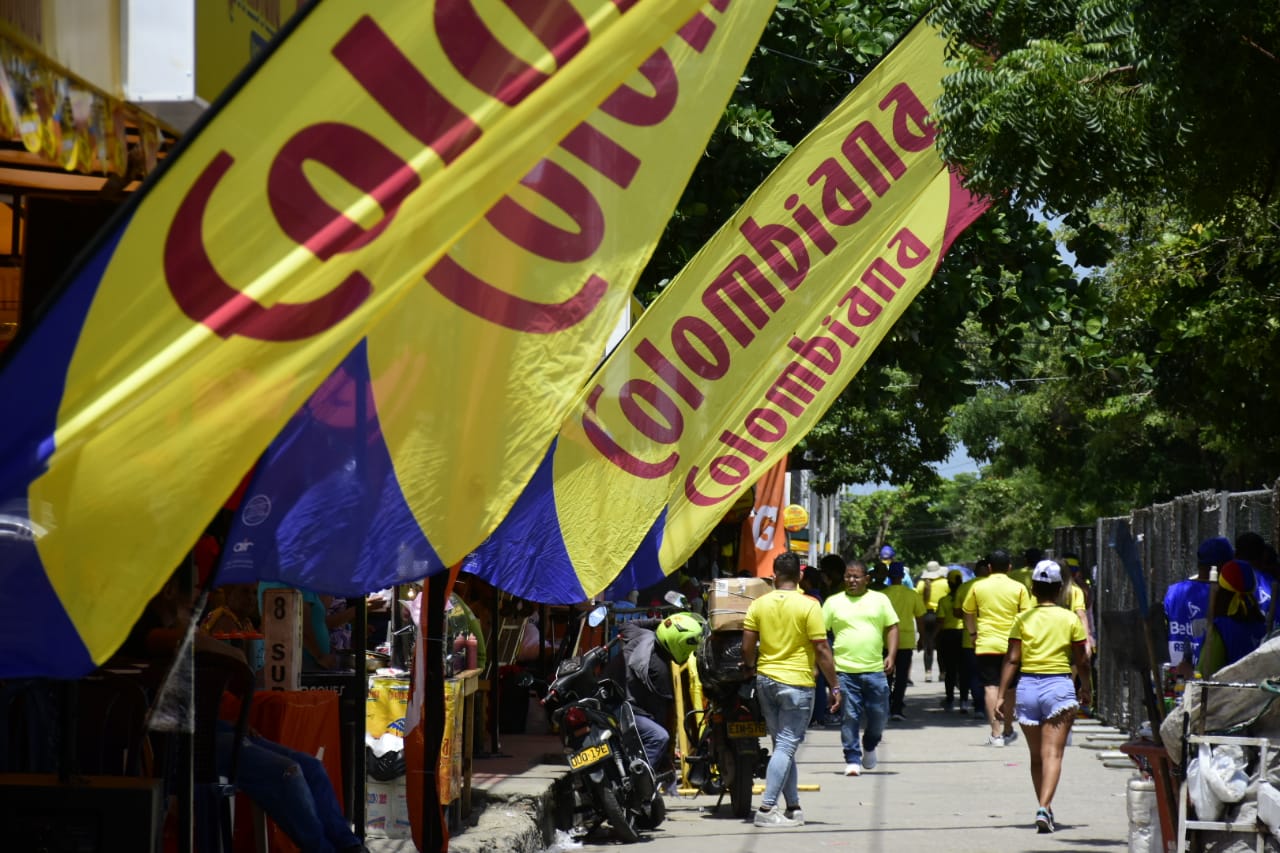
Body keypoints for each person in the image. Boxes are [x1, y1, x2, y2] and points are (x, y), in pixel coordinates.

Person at [124, 571, 369, 853]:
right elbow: (184, 641)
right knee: (286, 772)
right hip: (173, 741)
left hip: (208, 726)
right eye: (193, 588)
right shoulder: (146, 627)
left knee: (311, 767)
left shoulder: (184, 625)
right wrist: (234, 656)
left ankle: (351, 847)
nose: (199, 597)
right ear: (169, 591)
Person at [742, 551, 841, 828]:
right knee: (786, 745)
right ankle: (766, 808)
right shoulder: (809, 605)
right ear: (799, 576)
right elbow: (821, 648)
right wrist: (835, 685)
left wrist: (750, 668)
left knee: (782, 746)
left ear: (774, 576)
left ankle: (793, 807)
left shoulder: (758, 604)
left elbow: (747, 646)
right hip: (796, 683)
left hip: (766, 681)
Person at [997, 559, 1091, 834]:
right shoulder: (1070, 618)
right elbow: (1081, 659)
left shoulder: (1022, 619)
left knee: (1036, 757)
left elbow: (1012, 660)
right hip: (1058, 688)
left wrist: (1002, 695)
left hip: (1027, 688)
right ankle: (1043, 807)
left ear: (1034, 589)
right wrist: (1086, 686)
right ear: (1060, 588)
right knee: (1053, 754)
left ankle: (1045, 808)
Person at [822, 559, 899, 777]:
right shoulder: (833, 602)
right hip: (844, 671)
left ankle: (870, 744)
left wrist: (891, 655)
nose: (851, 580)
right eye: (848, 576)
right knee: (849, 716)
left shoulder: (880, 600)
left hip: (875, 670)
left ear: (867, 579)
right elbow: (819, 635)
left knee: (879, 715)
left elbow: (892, 627)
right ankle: (852, 758)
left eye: (856, 577)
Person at [605, 611, 705, 771]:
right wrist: (666, 756)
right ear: (678, 643)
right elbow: (662, 715)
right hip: (622, 711)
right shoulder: (661, 671)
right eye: (689, 644)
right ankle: (639, 781)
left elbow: (626, 625)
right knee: (659, 737)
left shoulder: (641, 635)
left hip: (606, 699)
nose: (690, 650)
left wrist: (660, 622)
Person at [963, 548, 1031, 746]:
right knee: (1009, 689)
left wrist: (973, 633)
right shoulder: (1019, 588)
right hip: (1012, 645)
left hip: (987, 643)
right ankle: (1009, 728)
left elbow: (968, 613)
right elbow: (1026, 617)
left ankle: (996, 733)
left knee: (991, 687)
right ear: (1009, 567)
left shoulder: (977, 587)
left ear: (989, 567)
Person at [1163, 536, 1232, 678]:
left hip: (1175, 677)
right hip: (1206, 679)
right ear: (1222, 566)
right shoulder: (1222, 595)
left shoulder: (1174, 591)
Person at [1198, 559, 1267, 677]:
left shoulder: (1220, 630)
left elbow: (1205, 675)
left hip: (1228, 694)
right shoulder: (1263, 627)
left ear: (1221, 590)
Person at [881, 563, 924, 721]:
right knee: (901, 677)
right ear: (902, 576)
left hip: (885, 640)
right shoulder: (911, 594)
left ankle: (885, 706)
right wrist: (922, 638)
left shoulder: (882, 595)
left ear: (889, 576)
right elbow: (920, 617)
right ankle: (897, 708)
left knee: (886, 676)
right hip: (906, 640)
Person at [934, 568, 967, 712]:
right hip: (963, 635)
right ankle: (964, 700)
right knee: (964, 669)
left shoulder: (943, 601)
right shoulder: (966, 599)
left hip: (948, 636)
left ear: (949, 583)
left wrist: (934, 638)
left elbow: (940, 622)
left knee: (950, 669)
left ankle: (949, 699)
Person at [918, 561, 948, 682]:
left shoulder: (921, 584)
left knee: (928, 645)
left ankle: (928, 672)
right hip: (939, 616)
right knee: (941, 646)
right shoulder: (945, 583)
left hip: (926, 616)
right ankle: (942, 673)